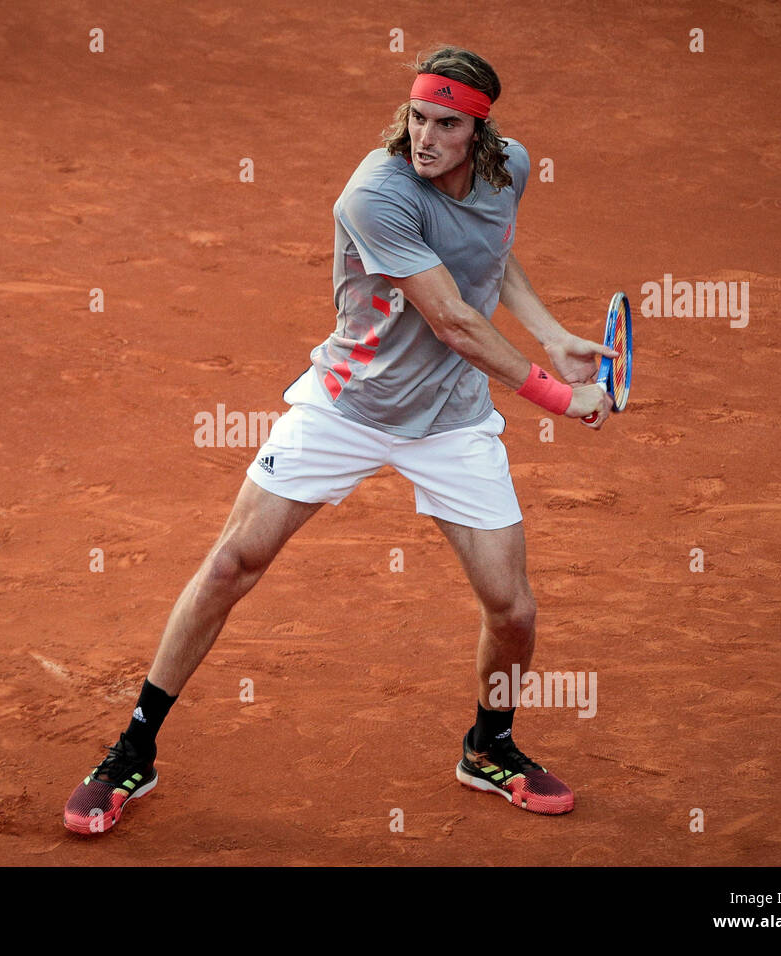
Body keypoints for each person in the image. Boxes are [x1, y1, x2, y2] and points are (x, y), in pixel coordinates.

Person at [64, 44, 614, 835]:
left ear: (481, 133)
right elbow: (455, 322)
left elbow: (491, 253)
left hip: (451, 422)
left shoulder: (509, 169)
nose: (425, 138)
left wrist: (553, 332)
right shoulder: (375, 194)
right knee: (229, 564)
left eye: (446, 125)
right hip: (346, 407)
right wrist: (560, 397)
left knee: (513, 610)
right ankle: (132, 751)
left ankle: (489, 747)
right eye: (417, 118)